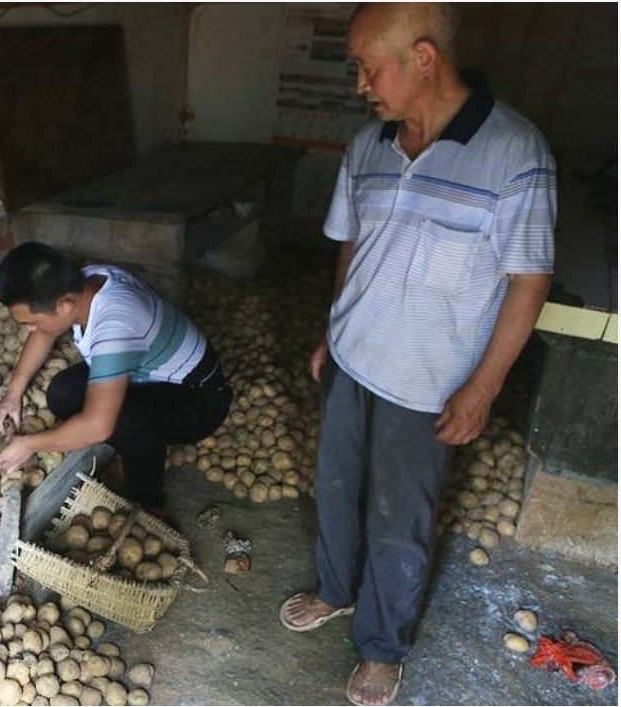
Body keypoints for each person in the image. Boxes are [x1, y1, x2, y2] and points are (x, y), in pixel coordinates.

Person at [278, 4, 555, 706]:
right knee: (336, 487)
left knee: (398, 517)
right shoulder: (367, 145)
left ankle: (381, 646)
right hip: (352, 357)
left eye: (368, 68)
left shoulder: (515, 153)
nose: (360, 85)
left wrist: (483, 387)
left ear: (423, 57)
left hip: (427, 378)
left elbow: (528, 281)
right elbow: (352, 244)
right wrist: (331, 330)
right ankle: (336, 589)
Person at [0, 241, 232, 514]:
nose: (30, 330)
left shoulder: (114, 324)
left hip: (200, 398)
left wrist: (29, 445)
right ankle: (132, 449)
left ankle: (150, 503)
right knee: (63, 393)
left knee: (123, 421)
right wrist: (13, 394)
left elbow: (97, 428)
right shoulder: (85, 281)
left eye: (31, 322)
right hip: (148, 376)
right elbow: (44, 332)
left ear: (64, 306)